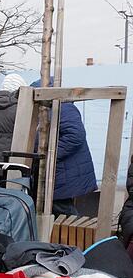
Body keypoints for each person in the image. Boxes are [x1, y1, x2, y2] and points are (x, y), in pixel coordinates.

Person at [30, 79, 97, 216]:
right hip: (62, 170)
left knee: (62, 210)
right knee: (59, 209)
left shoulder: (62, 108)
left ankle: (74, 236)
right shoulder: (51, 108)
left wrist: (50, 154)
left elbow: (76, 135)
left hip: (64, 171)